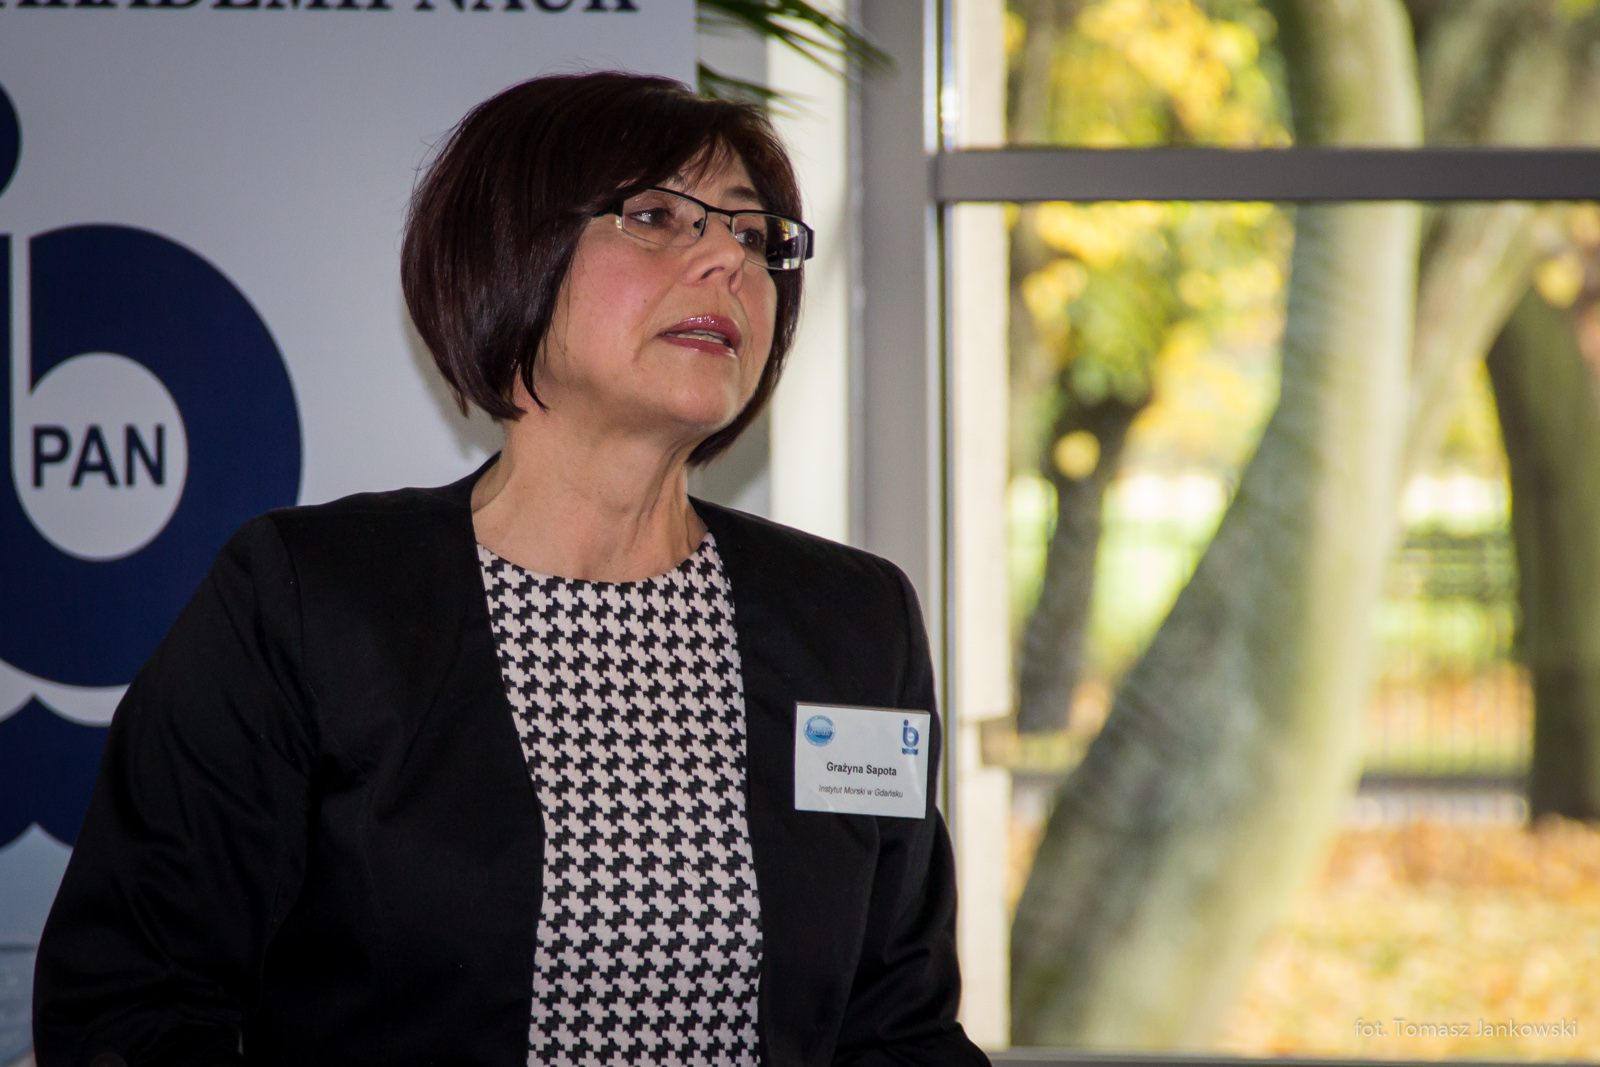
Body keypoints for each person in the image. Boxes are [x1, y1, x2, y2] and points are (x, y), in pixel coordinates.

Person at [33, 72, 988, 1067]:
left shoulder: (853, 621)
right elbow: (127, 1008)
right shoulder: (308, 600)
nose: (727, 259)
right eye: (657, 215)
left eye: (754, 235)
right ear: (508, 254)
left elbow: (900, 1026)